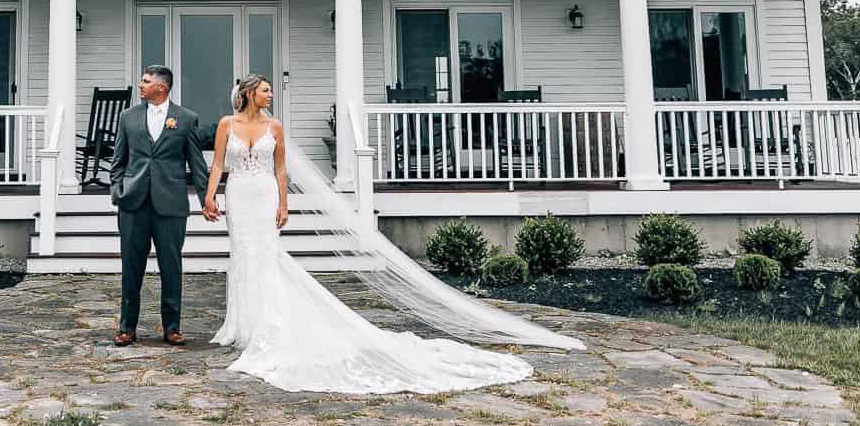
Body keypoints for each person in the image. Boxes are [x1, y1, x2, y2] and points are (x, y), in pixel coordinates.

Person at [202, 74, 580, 394]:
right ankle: (241, 324)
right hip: (239, 194)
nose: (271, 95)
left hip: (265, 194)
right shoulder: (225, 124)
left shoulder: (275, 127)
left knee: (266, 257)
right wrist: (209, 197)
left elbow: (281, 170)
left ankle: (267, 323)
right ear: (250, 93)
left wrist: (285, 204)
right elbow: (219, 162)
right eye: (266, 90)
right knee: (244, 256)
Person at [107, 65, 217, 346]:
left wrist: (207, 198)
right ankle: (127, 327)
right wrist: (118, 191)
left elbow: (196, 163)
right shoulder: (127, 117)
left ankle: (172, 327)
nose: (140, 85)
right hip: (133, 203)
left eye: (146, 81)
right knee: (131, 268)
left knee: (171, 266)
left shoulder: (185, 118)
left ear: (162, 88)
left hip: (171, 204)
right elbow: (118, 159)